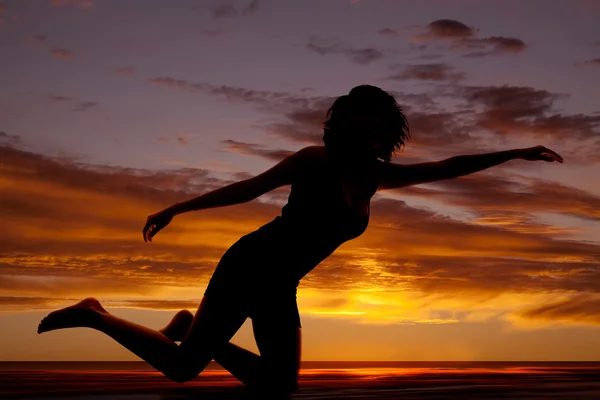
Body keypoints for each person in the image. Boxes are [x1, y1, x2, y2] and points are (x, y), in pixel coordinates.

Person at [37, 85, 564, 398]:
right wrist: (178, 208)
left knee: (279, 388)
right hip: (249, 265)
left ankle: (195, 330)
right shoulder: (316, 161)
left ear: (386, 131)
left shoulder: (378, 177)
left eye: (381, 123)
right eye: (365, 120)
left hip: (279, 284)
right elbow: (250, 188)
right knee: (181, 371)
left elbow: (449, 167)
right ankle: (95, 313)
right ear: (349, 125)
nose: (373, 130)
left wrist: (515, 152)